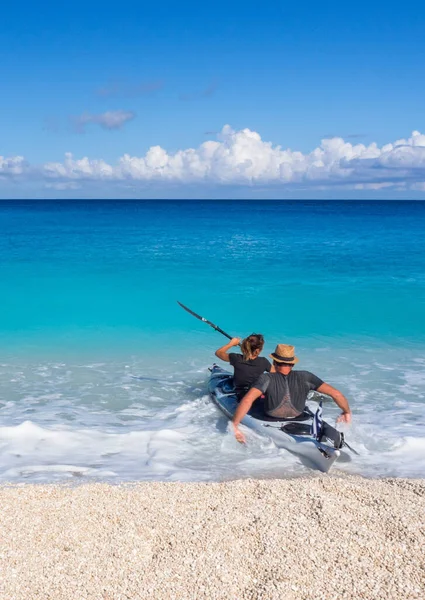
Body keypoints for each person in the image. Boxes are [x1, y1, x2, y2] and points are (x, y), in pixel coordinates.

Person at [232, 343, 352, 444]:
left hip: (272, 416)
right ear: (293, 363)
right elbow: (336, 394)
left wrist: (235, 426)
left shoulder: (266, 378)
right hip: (298, 416)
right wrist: (346, 412)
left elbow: (247, 400)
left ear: (274, 362)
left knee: (256, 401)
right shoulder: (306, 376)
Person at [215, 333, 273, 399]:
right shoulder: (264, 362)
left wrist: (231, 344)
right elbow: (277, 372)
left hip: (240, 393)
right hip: (256, 392)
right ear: (258, 350)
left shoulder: (236, 358)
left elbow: (218, 353)